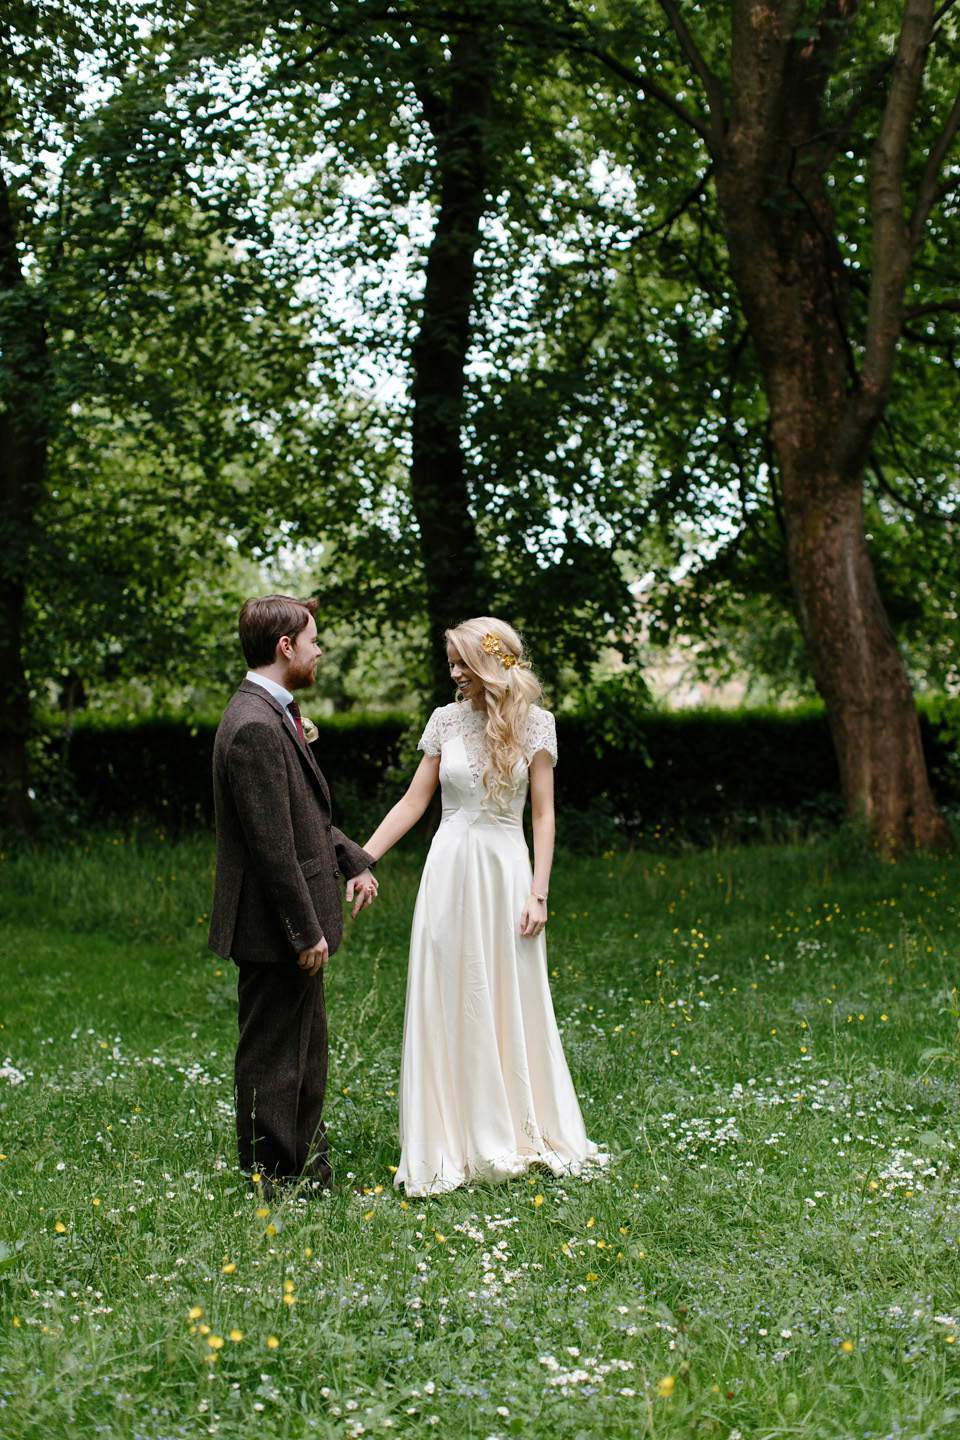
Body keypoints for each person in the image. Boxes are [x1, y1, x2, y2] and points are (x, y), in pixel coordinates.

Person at [363, 616, 606, 1197]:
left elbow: (543, 815)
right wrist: (361, 858)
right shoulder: (445, 721)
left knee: (508, 995)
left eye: (461, 663)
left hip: (506, 873)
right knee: (449, 992)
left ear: (491, 664)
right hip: (448, 872)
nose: (452, 674)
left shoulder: (537, 726)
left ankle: (516, 1127)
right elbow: (414, 801)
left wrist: (538, 892)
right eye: (450, 662)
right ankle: (450, 1134)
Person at [208, 595, 378, 1197]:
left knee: (305, 1056)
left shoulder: (273, 713)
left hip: (288, 922)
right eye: (313, 639)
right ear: (286, 647)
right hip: (275, 926)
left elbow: (303, 819)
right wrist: (304, 931)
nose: (318, 649)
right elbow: (272, 850)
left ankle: (308, 1172)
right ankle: (273, 1183)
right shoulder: (254, 725)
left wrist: (354, 861)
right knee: (273, 1057)